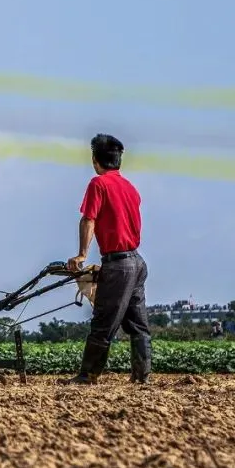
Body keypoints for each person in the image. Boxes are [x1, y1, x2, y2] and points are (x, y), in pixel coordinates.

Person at [62, 134, 151, 385]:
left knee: (103, 322)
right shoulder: (130, 188)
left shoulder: (98, 184)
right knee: (137, 324)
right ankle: (141, 375)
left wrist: (81, 254)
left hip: (119, 265)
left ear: (94, 159)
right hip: (137, 262)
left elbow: (89, 219)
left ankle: (87, 375)